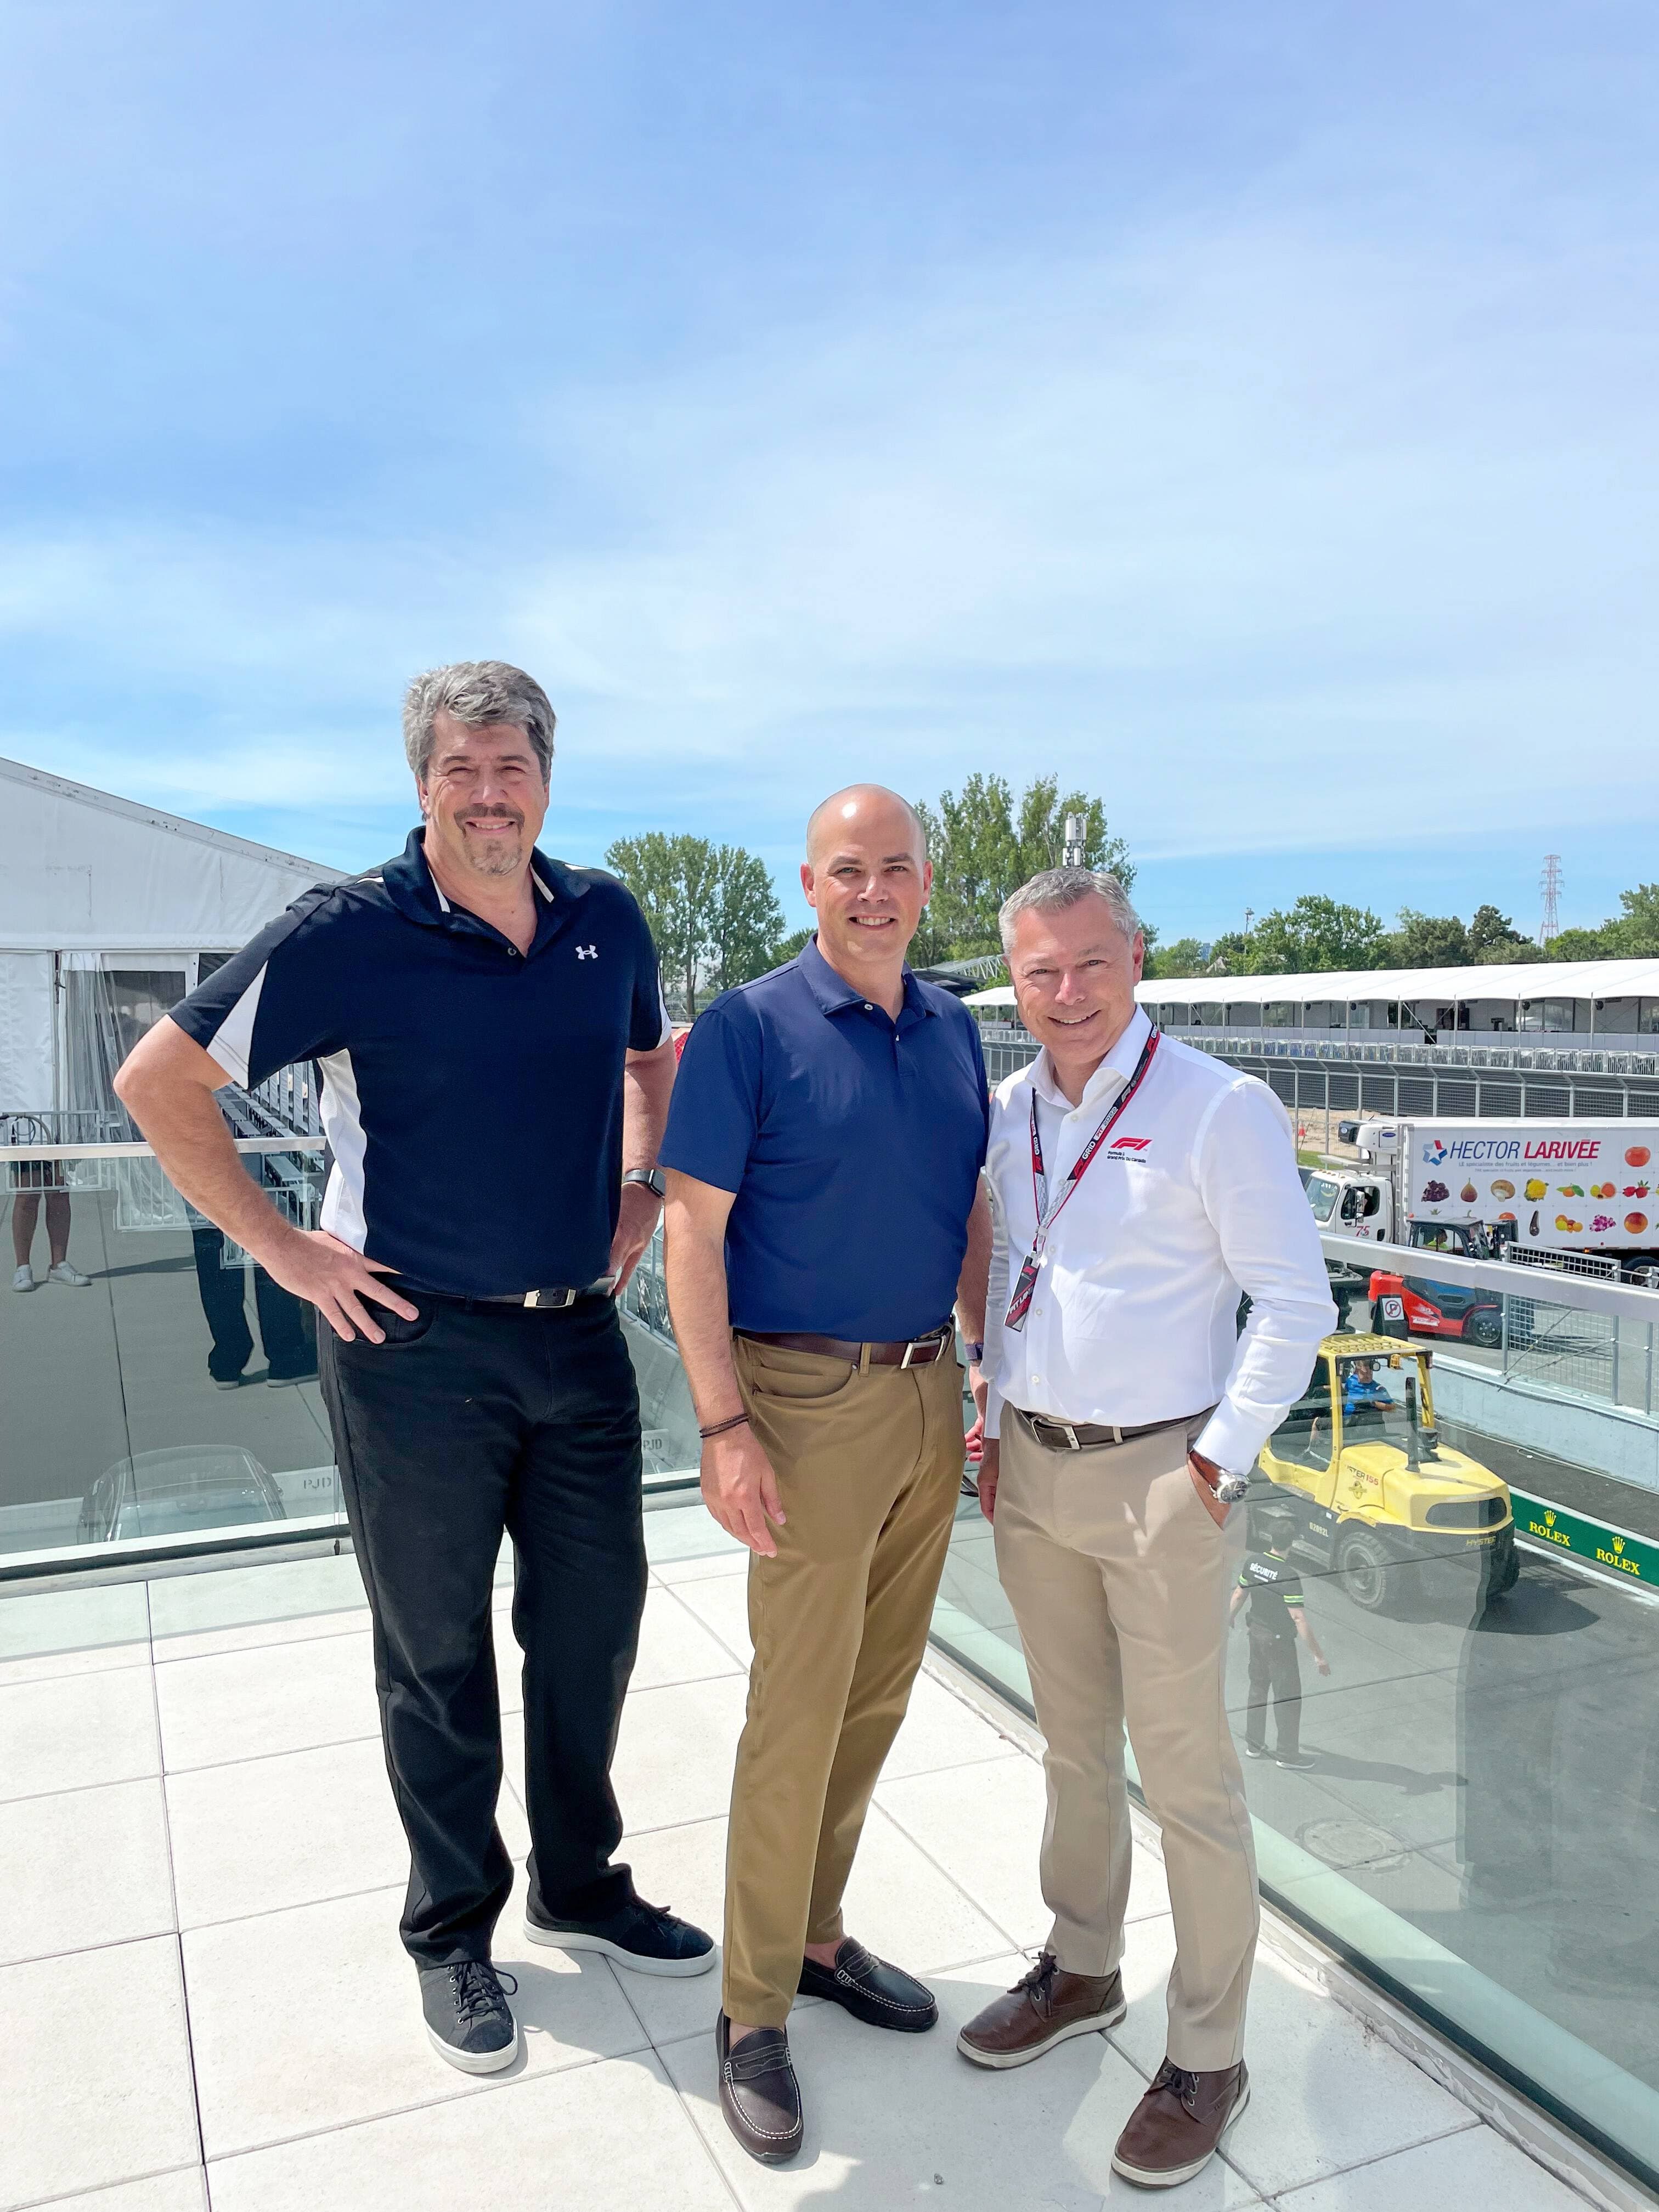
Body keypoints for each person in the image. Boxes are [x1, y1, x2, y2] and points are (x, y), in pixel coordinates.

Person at [114, 660, 714, 2075]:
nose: (490, 795)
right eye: (462, 770)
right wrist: (286, 1251)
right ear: (423, 784)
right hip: (411, 1348)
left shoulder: (607, 919)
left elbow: (655, 1062)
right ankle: (452, 1929)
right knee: (436, 1649)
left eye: (513, 768)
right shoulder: (350, 931)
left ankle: (582, 1882)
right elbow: (158, 1081)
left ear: (546, 779)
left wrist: (642, 1192)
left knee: (593, 1629)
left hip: (579, 1334)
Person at [956, 866, 1335, 2192]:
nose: (1067, 993)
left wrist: (1218, 1462)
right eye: (1040, 972)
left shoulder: (1218, 1106)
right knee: (1072, 1748)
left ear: (1137, 961)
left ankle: (1210, 2051)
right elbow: (1012, 1267)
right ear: (1016, 982)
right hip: (1034, 1466)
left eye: (1091, 964)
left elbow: (1297, 1302)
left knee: (1186, 1775)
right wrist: (988, 1413)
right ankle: (1084, 1967)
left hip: (1166, 1477)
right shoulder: (1010, 1107)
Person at [661, 785, 991, 2166]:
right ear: (810, 884)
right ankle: (751, 2010)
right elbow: (692, 1232)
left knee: (878, 1692)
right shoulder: (748, 1028)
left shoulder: (956, 1026)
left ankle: (813, 1933)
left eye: (895, 867)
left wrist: (982, 1363)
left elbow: (970, 1202)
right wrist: (724, 1427)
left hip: (927, 1392)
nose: (873, 891)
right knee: (796, 1711)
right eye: (847, 869)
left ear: (926, 882)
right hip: (802, 1400)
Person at [1231, 1510, 1329, 1770]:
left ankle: (1254, 1745)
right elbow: (1298, 1618)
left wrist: (1229, 1618)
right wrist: (1319, 1656)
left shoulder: (1253, 1563)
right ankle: (1287, 1755)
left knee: (1258, 1688)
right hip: (1279, 1643)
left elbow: (1240, 1594)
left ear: (1271, 1538)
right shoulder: (1288, 1575)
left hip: (1256, 1636)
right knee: (1287, 1698)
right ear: (1292, 1543)